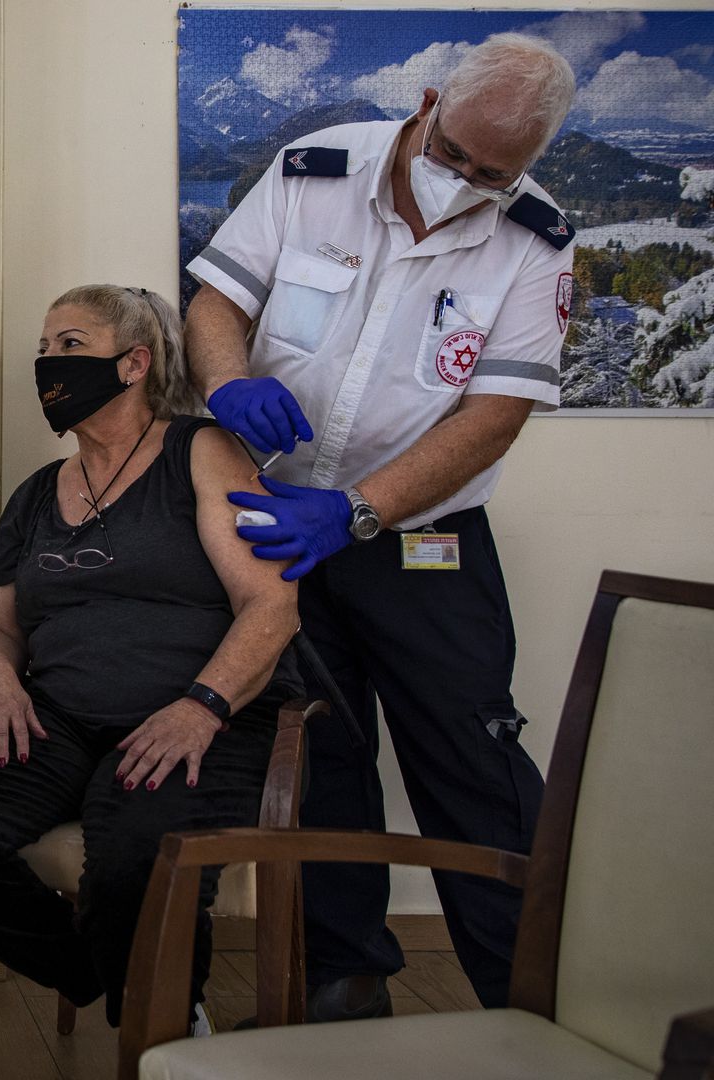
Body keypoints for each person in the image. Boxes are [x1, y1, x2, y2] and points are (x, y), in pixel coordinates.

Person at [183, 34, 577, 1020]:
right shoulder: (313, 172)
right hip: (280, 526)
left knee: (473, 761)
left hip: (422, 542)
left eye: (494, 175)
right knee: (317, 756)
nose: (465, 183)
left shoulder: (536, 241)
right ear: (427, 105)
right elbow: (217, 304)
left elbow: (493, 417)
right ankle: (342, 984)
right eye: (455, 156)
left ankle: (534, 1004)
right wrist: (227, 384)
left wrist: (358, 509)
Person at [0, 285, 302, 1029]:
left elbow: (272, 606)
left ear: (135, 363)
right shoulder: (37, 494)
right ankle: (101, 976)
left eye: (70, 345)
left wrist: (201, 706)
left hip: (205, 714)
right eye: (44, 349)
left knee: (139, 841)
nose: (50, 363)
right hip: (61, 720)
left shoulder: (201, 452)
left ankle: (165, 1022)